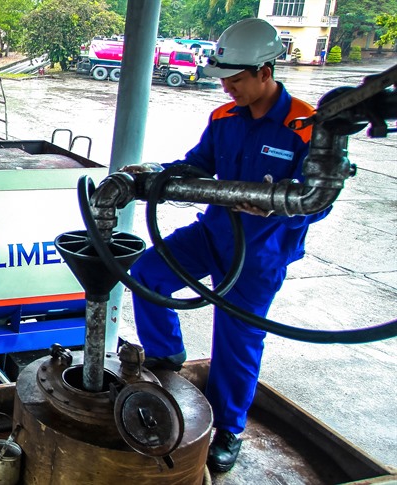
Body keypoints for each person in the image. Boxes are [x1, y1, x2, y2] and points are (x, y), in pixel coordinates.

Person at [125, 18, 331, 473]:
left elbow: (319, 203)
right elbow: (198, 165)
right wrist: (155, 174)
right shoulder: (223, 118)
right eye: (223, 80)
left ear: (265, 71)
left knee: (236, 340)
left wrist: (278, 208)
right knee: (148, 272)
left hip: (261, 252)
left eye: (235, 80)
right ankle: (167, 352)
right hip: (213, 233)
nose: (227, 88)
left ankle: (228, 429)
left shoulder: (305, 127)